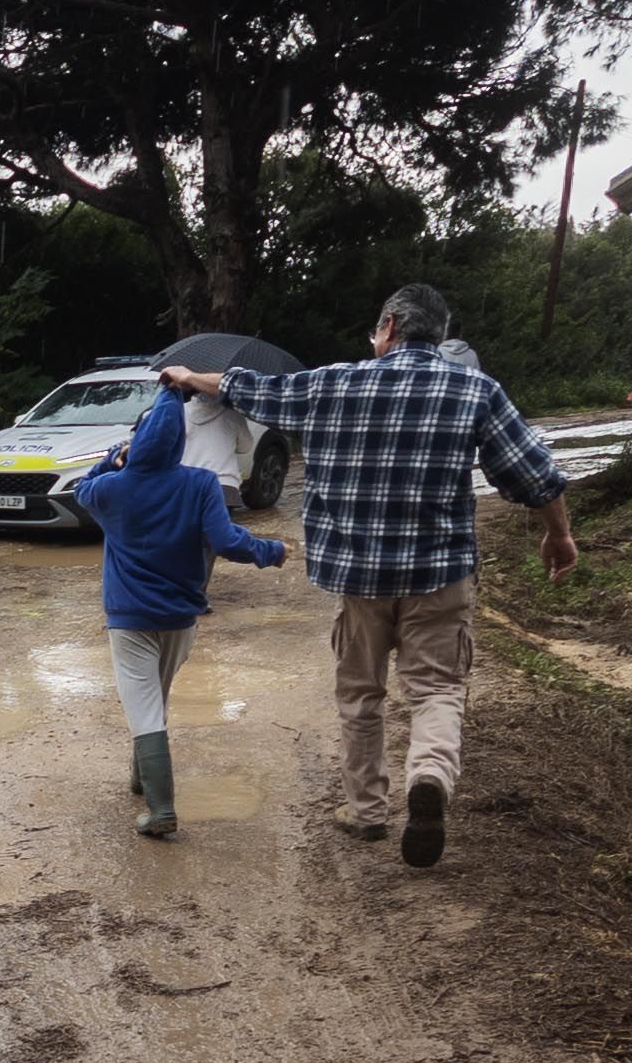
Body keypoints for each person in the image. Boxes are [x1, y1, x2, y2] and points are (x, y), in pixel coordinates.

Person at [168, 284, 574, 869]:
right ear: (437, 333)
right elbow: (536, 476)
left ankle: (366, 812)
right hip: (440, 574)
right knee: (436, 688)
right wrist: (558, 534)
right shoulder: (475, 389)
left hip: (358, 579)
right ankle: (429, 775)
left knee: (361, 695)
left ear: (388, 326)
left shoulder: (334, 382)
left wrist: (189, 375)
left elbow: (249, 389)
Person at [76, 376, 288, 838]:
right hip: (180, 616)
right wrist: (271, 551)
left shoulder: (112, 488)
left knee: (142, 700)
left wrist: (113, 457)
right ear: (179, 442)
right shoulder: (201, 484)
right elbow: (229, 541)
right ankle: (141, 776)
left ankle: (161, 809)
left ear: (139, 442)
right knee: (154, 695)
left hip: (129, 617)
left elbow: (82, 488)